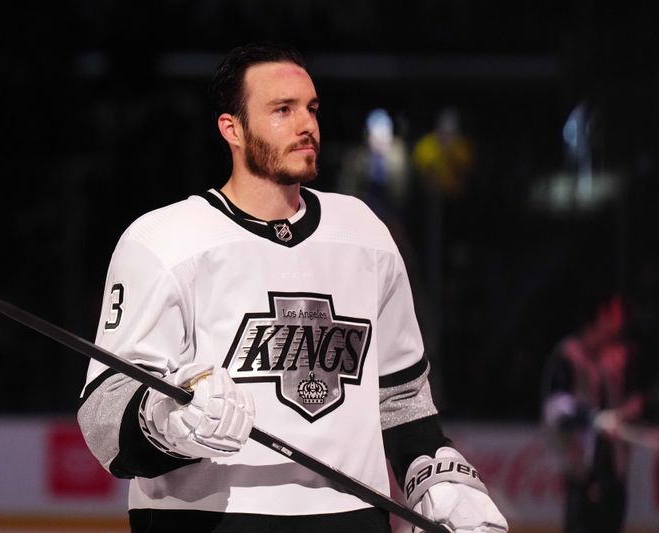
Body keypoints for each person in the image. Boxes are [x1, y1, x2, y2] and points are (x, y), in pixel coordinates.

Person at [77, 42, 508, 533]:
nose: (307, 125)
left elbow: (400, 395)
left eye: (312, 109)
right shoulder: (163, 240)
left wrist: (435, 477)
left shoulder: (366, 234)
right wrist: (167, 422)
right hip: (210, 522)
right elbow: (104, 416)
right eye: (283, 110)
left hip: (354, 519)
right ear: (231, 129)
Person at [542, 293, 644, 533]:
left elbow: (636, 396)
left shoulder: (620, 355)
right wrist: (590, 417)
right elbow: (556, 409)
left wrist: (630, 410)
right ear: (601, 316)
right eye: (615, 315)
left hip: (615, 468)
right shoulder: (569, 355)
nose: (621, 322)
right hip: (582, 469)